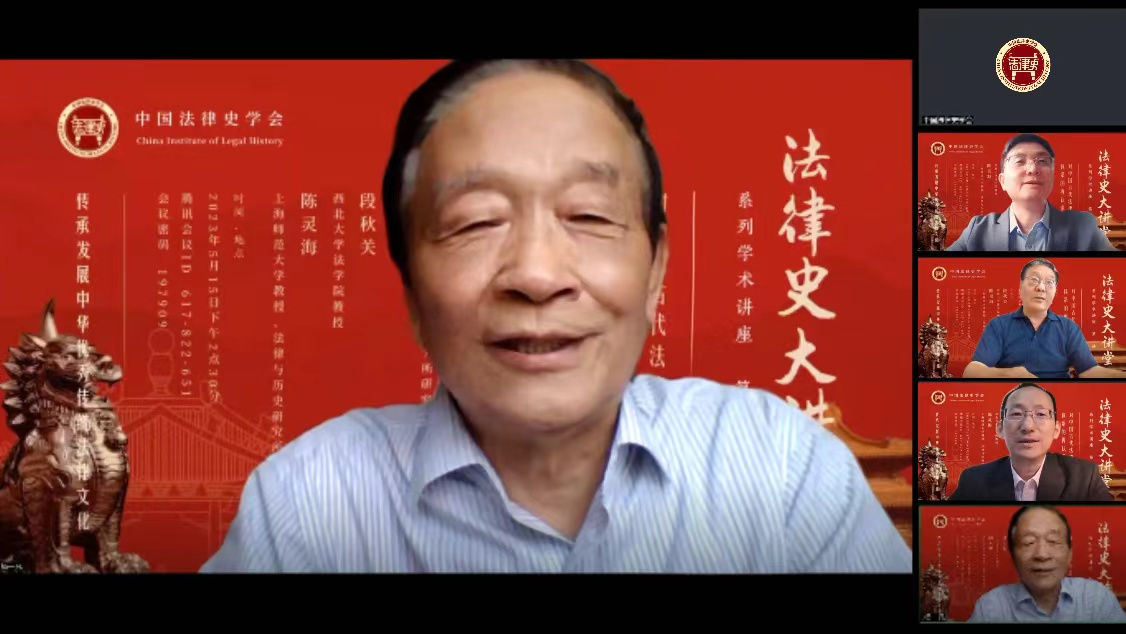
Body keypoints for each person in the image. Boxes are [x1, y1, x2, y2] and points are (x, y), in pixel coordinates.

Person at [199, 59, 911, 573]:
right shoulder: (311, 502)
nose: (537, 275)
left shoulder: (775, 467)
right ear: (413, 293)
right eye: (476, 222)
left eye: (590, 215)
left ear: (655, 271)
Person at [945, 134, 1116, 252]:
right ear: (1002, 181)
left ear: (1053, 176)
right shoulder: (978, 229)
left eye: (1042, 161)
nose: (1033, 169)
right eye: (1019, 161)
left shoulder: (1083, 226)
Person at [962, 258, 1126, 379]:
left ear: (1055, 291)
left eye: (1049, 282)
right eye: (1034, 280)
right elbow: (971, 371)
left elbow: (1088, 371)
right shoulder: (999, 325)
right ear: (1020, 286)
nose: (1041, 287)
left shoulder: (1068, 327)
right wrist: (1011, 374)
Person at [948, 383, 1114, 502]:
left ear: (1056, 429)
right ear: (1000, 428)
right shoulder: (975, 480)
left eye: (1041, 414)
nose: (1028, 426)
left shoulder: (1084, 478)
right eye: (1016, 414)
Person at [967, 506, 1126, 622]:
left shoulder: (1096, 599)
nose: (1042, 555)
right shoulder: (991, 607)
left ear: (1069, 552)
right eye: (1029, 542)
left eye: (1053, 541)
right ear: (1013, 553)